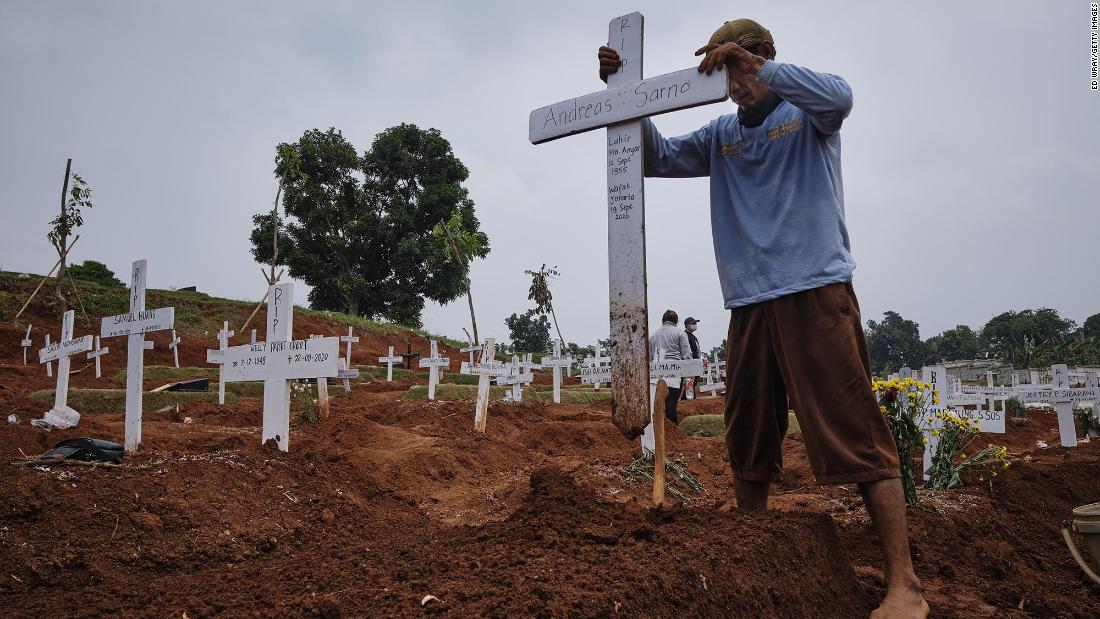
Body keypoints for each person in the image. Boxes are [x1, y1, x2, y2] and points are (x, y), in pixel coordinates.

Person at [599, 19, 928, 618]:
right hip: (748, 305)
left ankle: (903, 584)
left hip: (815, 293)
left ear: (766, 59)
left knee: (855, 432)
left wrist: (760, 68)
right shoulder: (722, 133)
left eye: (742, 68)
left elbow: (842, 96)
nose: (734, 83)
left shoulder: (808, 116)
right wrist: (626, 95)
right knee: (748, 433)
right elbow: (656, 157)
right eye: (724, 73)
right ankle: (749, 557)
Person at [648, 309, 693, 423]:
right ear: (676, 321)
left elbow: (650, 355)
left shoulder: (653, 335)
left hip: (657, 370)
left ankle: (656, 430)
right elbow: (687, 355)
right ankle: (673, 430)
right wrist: (690, 372)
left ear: (663, 320)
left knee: (656, 403)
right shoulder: (680, 333)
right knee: (671, 403)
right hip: (674, 371)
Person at [682, 317, 701, 399]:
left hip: (696, 361)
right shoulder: (684, 335)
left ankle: (687, 397)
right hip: (690, 362)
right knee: (690, 381)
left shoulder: (692, 336)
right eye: (693, 323)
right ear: (687, 325)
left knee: (694, 381)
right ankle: (688, 398)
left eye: (695, 323)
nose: (695, 325)